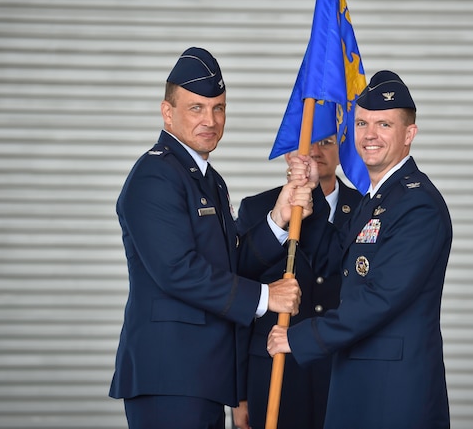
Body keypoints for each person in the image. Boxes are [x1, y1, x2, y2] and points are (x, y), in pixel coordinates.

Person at [109, 46, 316, 429]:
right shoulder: (155, 177)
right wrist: (266, 296)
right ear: (167, 112)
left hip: (201, 377)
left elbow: (226, 264)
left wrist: (278, 217)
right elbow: (177, 270)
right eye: (196, 108)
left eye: (218, 107)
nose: (210, 119)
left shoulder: (208, 180)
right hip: (169, 377)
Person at [267, 70, 452, 429]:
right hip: (359, 377)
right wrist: (310, 194)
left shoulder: (418, 205)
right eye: (362, 123)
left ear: (409, 134)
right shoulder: (376, 200)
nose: (369, 135)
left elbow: (382, 297)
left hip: (394, 390)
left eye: (384, 124)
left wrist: (300, 337)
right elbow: (333, 258)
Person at [232, 134, 362, 429]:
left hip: (341, 368)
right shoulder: (258, 208)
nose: (315, 151)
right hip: (273, 369)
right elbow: (240, 297)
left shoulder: (364, 208)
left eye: (327, 142)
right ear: (289, 155)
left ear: (341, 151)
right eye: (306, 144)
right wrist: (238, 393)